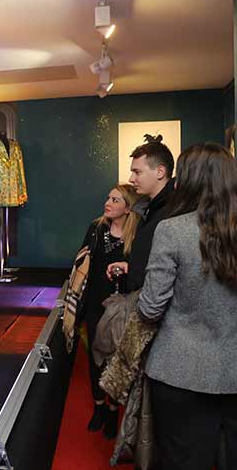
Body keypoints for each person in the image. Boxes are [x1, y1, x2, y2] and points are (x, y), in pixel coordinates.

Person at [137, 143, 237, 470]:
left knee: (181, 460)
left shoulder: (171, 231)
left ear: (191, 180)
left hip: (179, 372)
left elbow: (150, 308)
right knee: (235, 460)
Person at [78, 184, 142, 439]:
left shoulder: (138, 233)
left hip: (122, 305)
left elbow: (141, 270)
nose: (108, 203)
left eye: (115, 200)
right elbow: (82, 263)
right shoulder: (96, 228)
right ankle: (99, 406)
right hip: (95, 302)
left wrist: (127, 267)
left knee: (118, 357)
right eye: (108, 198)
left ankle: (114, 409)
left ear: (127, 208)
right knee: (95, 355)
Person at [107, 135, 174, 292]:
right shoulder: (148, 209)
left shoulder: (173, 213)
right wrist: (131, 267)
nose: (131, 179)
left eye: (137, 172)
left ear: (160, 172)